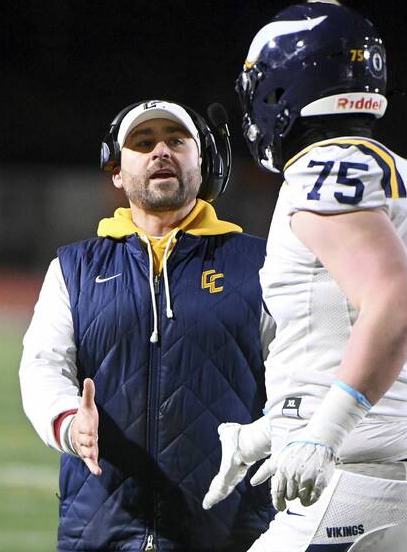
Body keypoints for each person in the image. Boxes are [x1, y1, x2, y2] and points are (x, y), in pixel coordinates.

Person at [202, 1, 407, 552]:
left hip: (357, 490)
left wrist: (324, 435)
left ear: (280, 88)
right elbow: (336, 331)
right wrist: (266, 433)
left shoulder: (321, 171)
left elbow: (393, 306)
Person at [20, 99, 275, 552]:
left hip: (233, 533)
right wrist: (67, 423)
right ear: (116, 171)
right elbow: (42, 367)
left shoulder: (262, 264)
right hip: (100, 531)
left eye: (177, 141)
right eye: (143, 142)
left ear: (204, 163)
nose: (162, 151)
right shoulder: (73, 268)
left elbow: (299, 378)